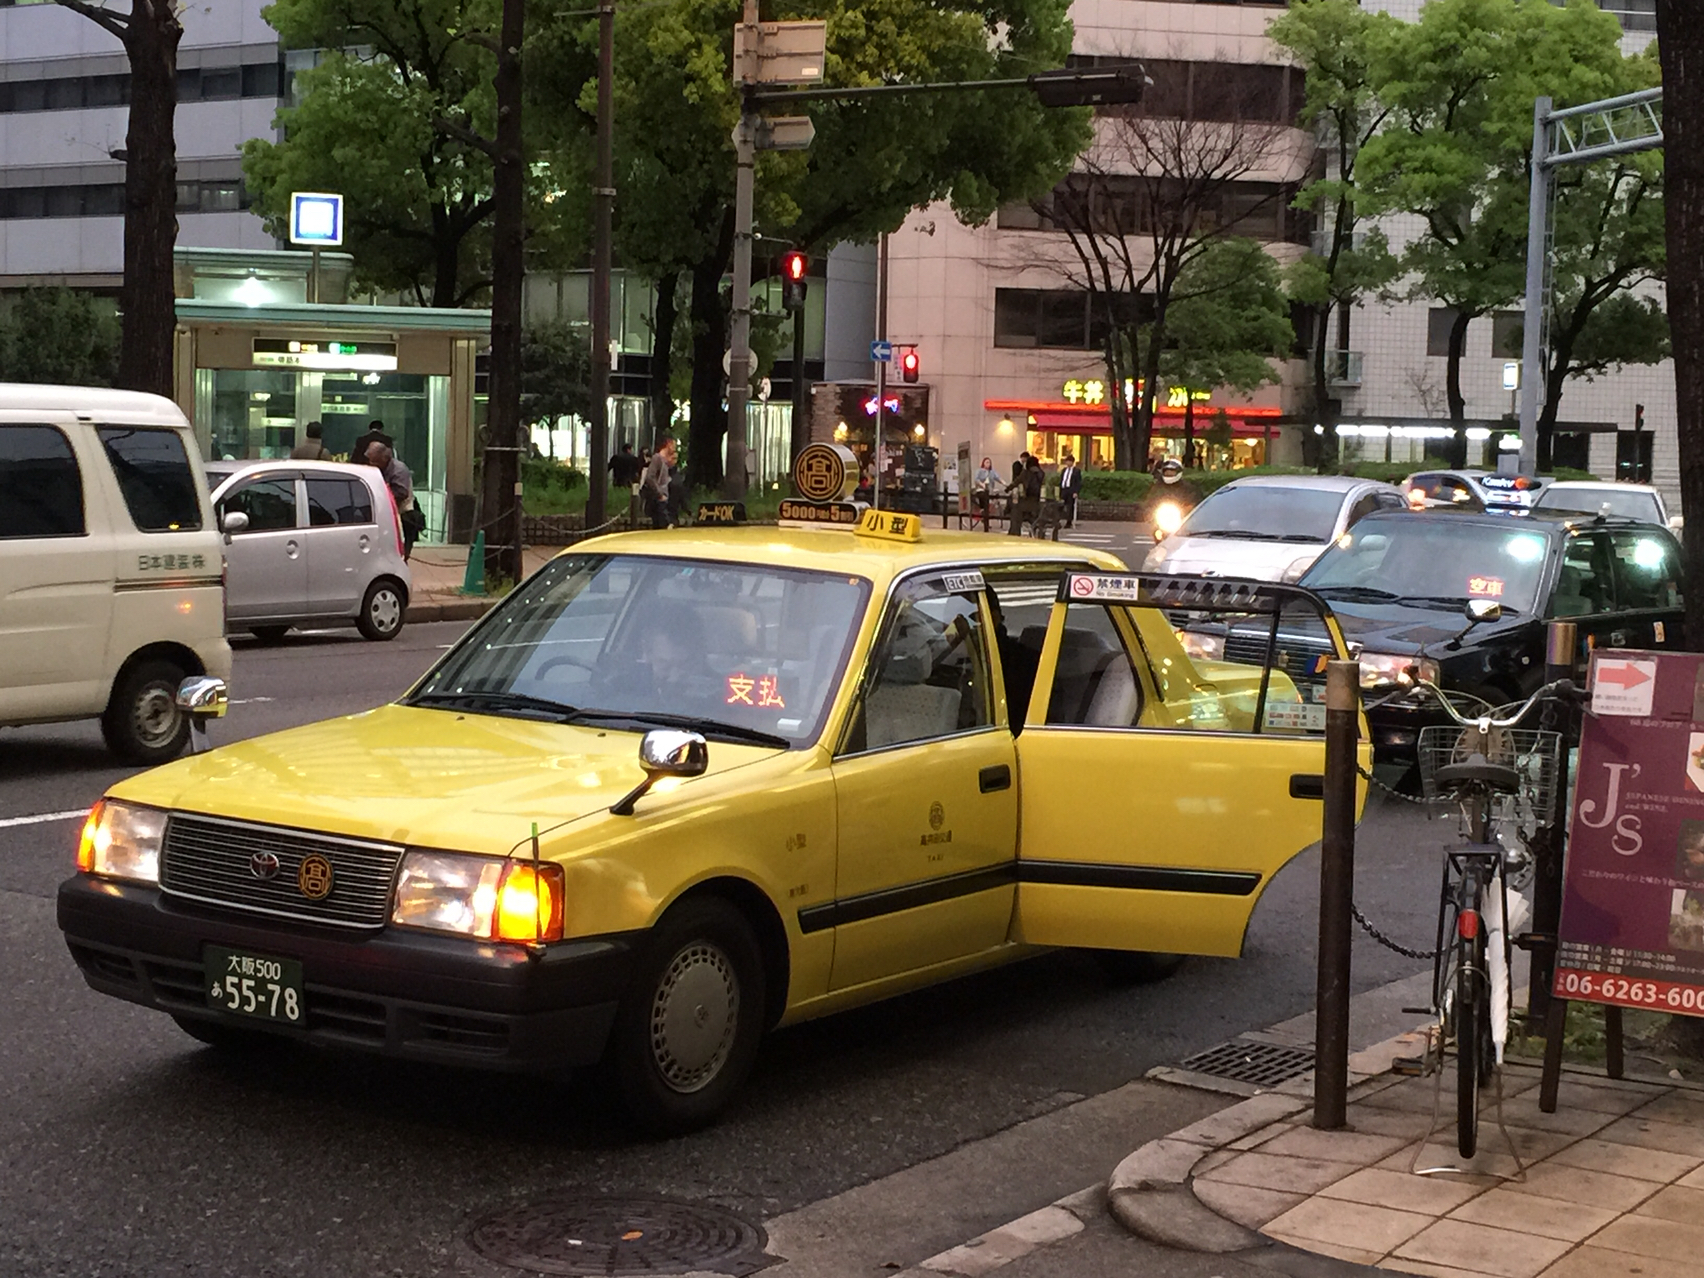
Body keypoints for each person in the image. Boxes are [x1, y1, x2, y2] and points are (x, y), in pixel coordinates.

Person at [370, 442, 422, 559]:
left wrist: (382, 496)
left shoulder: (399, 470)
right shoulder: (381, 468)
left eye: (375, 461)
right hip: (387, 510)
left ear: (385, 459)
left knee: (401, 543)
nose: (371, 464)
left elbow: (401, 493)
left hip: (402, 511)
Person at [641, 436, 676, 528]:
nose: (674, 448)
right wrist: (659, 494)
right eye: (673, 445)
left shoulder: (665, 461)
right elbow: (650, 477)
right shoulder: (657, 458)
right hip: (659, 500)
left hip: (663, 499)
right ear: (668, 444)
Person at [1008, 454, 1044, 535]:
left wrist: (1008, 489)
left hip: (1026, 501)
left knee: (1015, 510)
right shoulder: (1041, 473)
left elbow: (1016, 482)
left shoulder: (1026, 473)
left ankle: (1015, 531)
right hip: (1036, 502)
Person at [972, 456, 1002, 529]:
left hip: (990, 490)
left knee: (996, 496)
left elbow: (998, 478)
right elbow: (976, 480)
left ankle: (988, 511)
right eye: (987, 462)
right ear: (983, 463)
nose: (988, 464)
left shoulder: (992, 472)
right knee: (982, 496)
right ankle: (983, 512)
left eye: (989, 462)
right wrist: (982, 485)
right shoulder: (979, 471)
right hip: (981, 490)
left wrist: (1005, 484)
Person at [1058, 450, 1082, 528]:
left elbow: (1078, 482)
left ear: (1072, 462)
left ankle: (1069, 522)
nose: (1067, 463)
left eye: (1069, 461)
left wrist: (1076, 492)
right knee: (1060, 506)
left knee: (1070, 506)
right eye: (1066, 461)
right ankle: (1058, 520)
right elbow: (1062, 480)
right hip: (1064, 489)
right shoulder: (1064, 470)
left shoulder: (1076, 471)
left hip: (1071, 490)